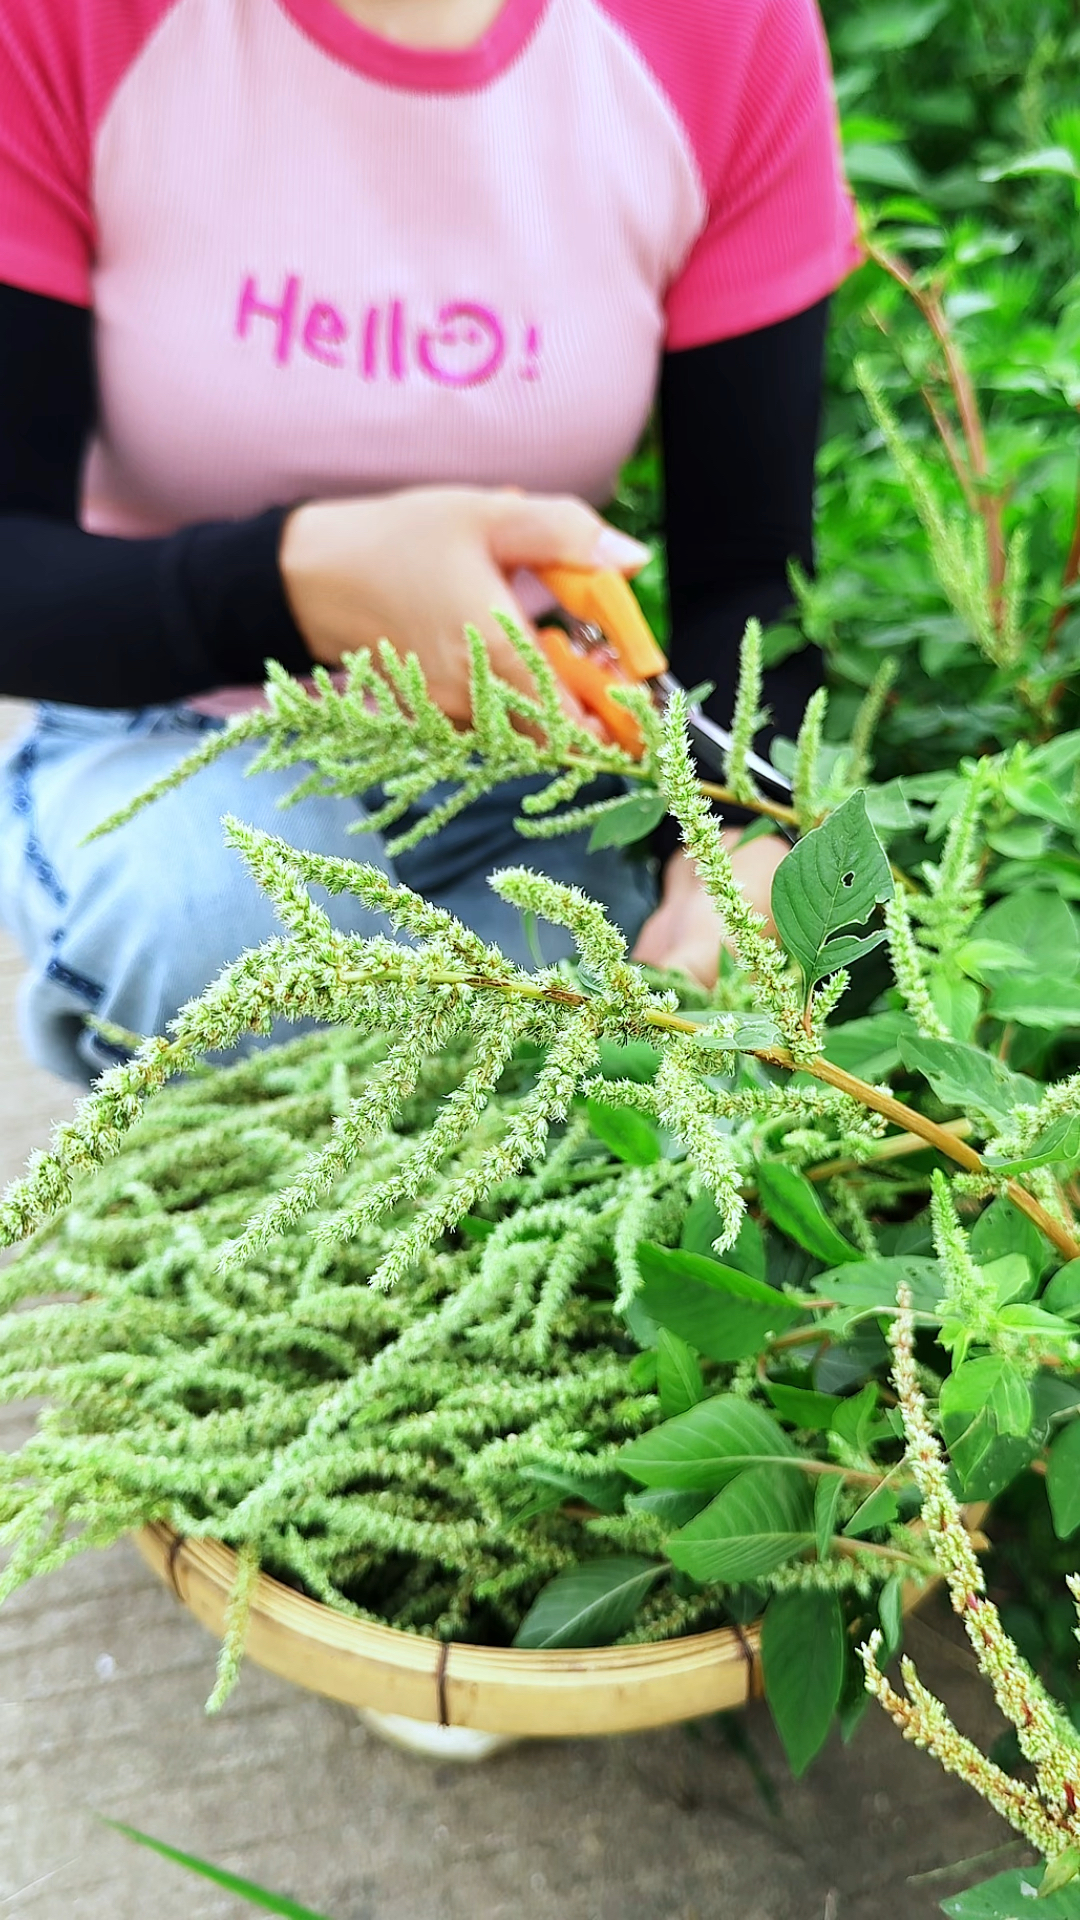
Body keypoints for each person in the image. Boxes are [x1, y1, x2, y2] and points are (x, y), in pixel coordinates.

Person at [0, 0, 858, 1084]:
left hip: (535, 748)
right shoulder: (60, 24)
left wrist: (735, 841)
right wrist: (293, 586)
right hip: (172, 731)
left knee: (615, 1030)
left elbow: (750, 576)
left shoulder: (723, 31)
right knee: (232, 949)